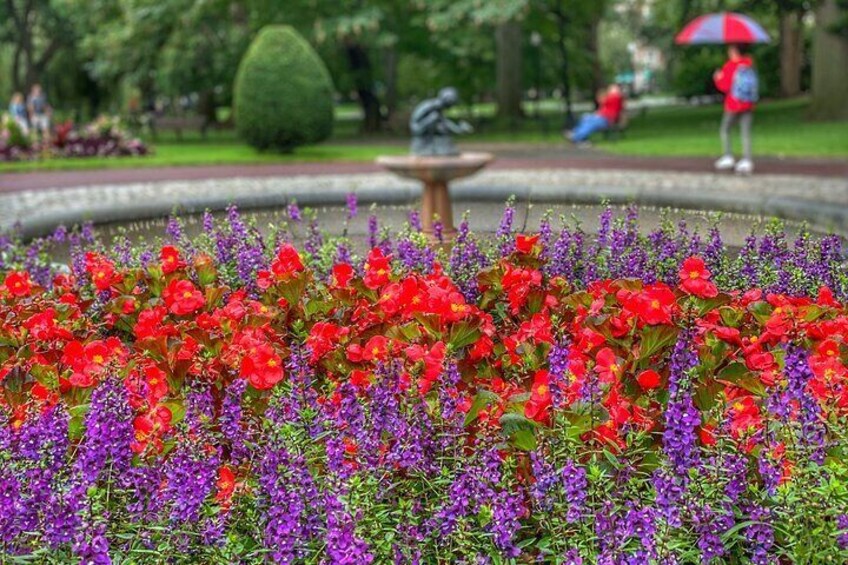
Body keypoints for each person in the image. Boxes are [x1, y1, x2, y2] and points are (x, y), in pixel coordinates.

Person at [713, 44, 758, 175]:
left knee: (725, 129)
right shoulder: (749, 64)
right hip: (748, 103)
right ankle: (747, 160)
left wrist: (717, 78)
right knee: (745, 132)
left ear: (734, 51)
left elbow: (725, 87)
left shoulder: (730, 66)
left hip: (733, 104)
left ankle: (728, 156)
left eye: (730, 50)